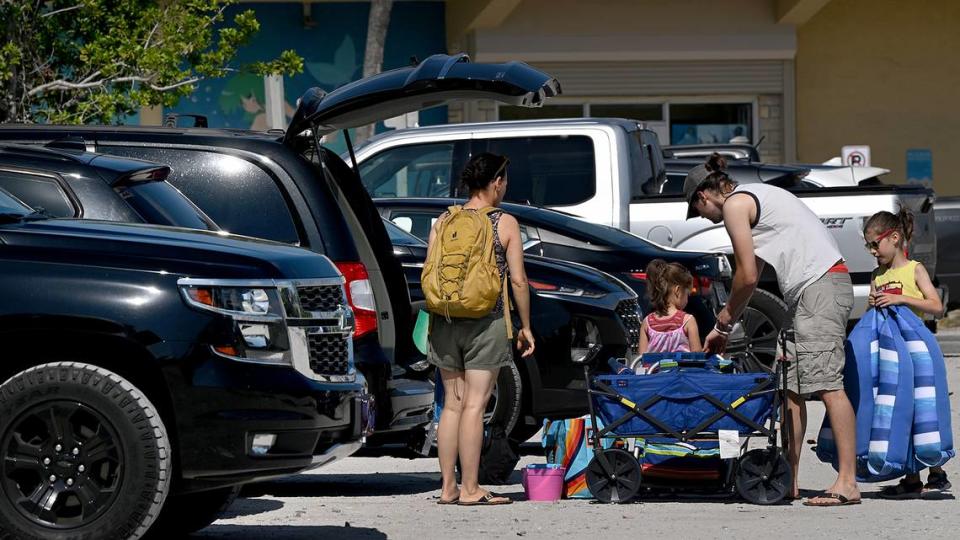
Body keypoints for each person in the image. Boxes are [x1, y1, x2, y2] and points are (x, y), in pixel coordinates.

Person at [684, 153, 860, 507]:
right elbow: (756, 269)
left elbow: (746, 275)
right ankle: (788, 479)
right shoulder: (756, 196)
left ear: (703, 197)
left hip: (819, 287)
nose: (705, 218)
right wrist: (730, 323)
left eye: (698, 211)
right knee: (790, 390)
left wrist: (722, 321)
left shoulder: (735, 205)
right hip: (813, 289)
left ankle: (848, 482)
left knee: (826, 384)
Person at [426, 153, 536, 506]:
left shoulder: (444, 220)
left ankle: (447, 487)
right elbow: (518, 280)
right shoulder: (504, 223)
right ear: (496, 182)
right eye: (504, 180)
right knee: (475, 405)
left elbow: (430, 271)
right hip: (486, 321)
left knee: (451, 406)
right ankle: (471, 488)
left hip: (443, 320)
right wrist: (526, 326)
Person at [864, 208, 950, 499]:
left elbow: (936, 306)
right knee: (901, 413)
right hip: (892, 358)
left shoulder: (914, 269)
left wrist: (900, 297)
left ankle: (936, 473)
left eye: (876, 244)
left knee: (925, 412)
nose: (873, 252)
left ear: (895, 237)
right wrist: (873, 303)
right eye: (869, 246)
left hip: (918, 353)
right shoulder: (878, 275)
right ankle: (911, 478)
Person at [638, 259, 702, 354]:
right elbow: (697, 357)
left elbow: (641, 359)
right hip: (682, 369)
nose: (687, 299)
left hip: (656, 369)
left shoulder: (647, 323)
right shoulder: (688, 321)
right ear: (678, 291)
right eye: (687, 294)